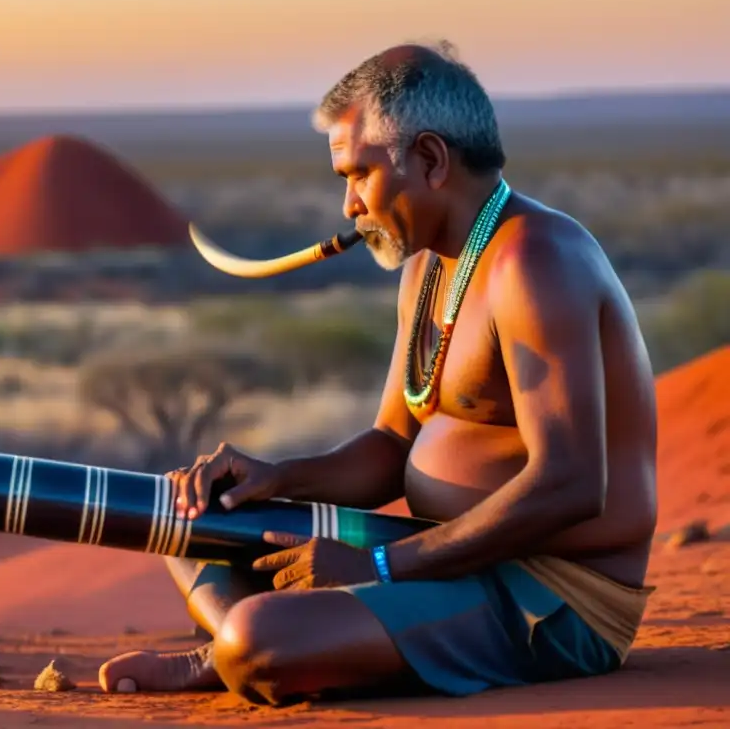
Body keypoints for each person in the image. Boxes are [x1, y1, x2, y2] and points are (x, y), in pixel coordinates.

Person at [98, 41, 658, 706]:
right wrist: (277, 477)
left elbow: (569, 484)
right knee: (186, 521)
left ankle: (235, 652)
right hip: (449, 557)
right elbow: (393, 445)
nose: (349, 206)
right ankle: (257, 645)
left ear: (429, 160)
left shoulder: (534, 260)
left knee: (259, 636)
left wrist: (381, 567)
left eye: (358, 174)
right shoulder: (428, 266)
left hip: (553, 595)